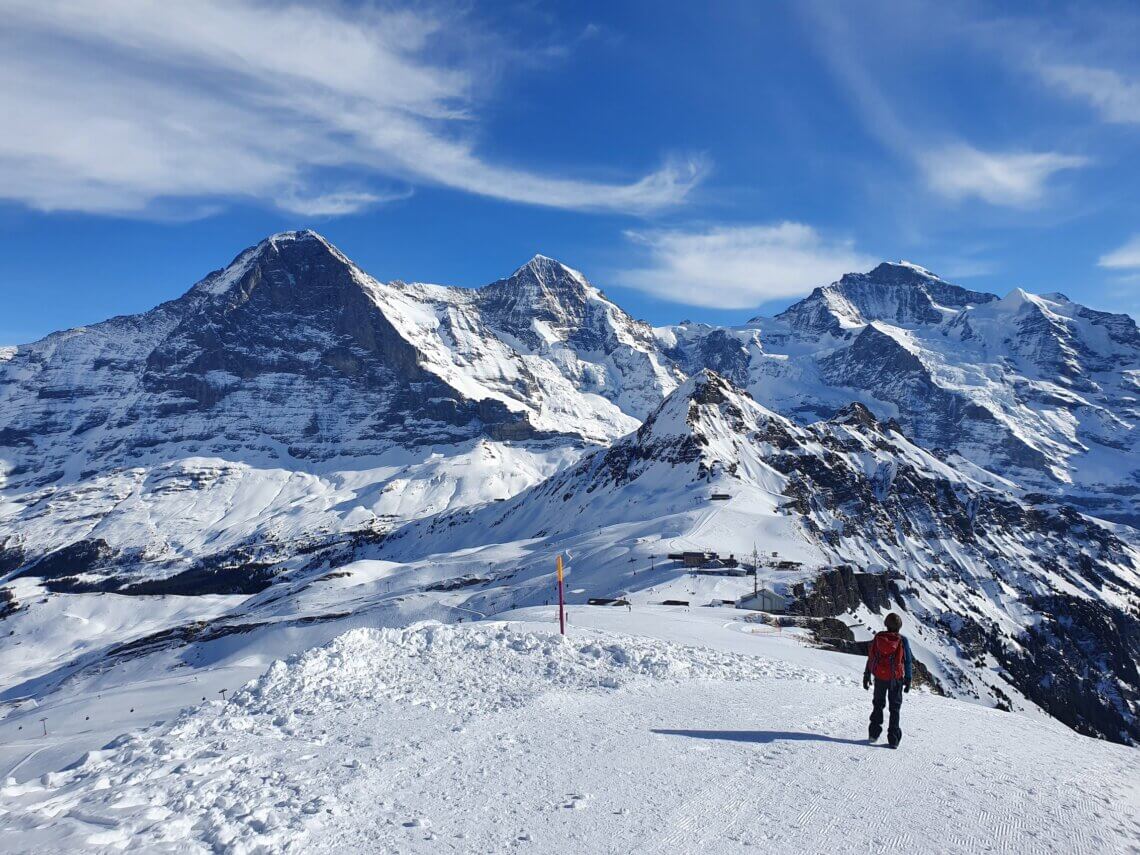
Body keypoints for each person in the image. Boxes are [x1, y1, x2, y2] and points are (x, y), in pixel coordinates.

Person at [862, 612, 913, 748]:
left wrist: (867, 674)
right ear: (899, 627)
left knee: (878, 704)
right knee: (894, 709)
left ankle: (873, 733)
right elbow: (908, 661)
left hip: (879, 677)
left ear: (886, 624)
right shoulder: (902, 640)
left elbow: (871, 657)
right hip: (895, 679)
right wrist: (908, 679)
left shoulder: (879, 637)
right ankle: (893, 739)